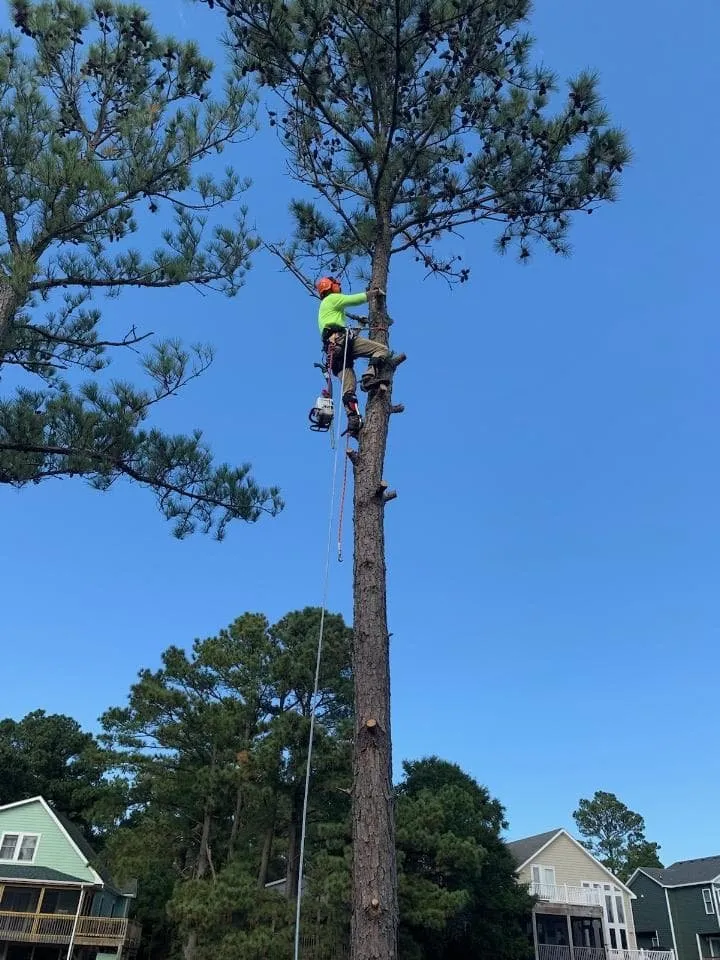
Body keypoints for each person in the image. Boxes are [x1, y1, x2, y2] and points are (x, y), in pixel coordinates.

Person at [316, 277, 404, 438]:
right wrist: (374, 293)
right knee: (382, 350)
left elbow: (348, 342)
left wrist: (362, 325)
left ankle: (353, 420)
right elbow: (355, 299)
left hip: (334, 353)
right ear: (330, 287)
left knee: (348, 387)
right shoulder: (332, 299)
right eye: (336, 284)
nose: (339, 286)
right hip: (341, 342)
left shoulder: (325, 309)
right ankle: (369, 375)